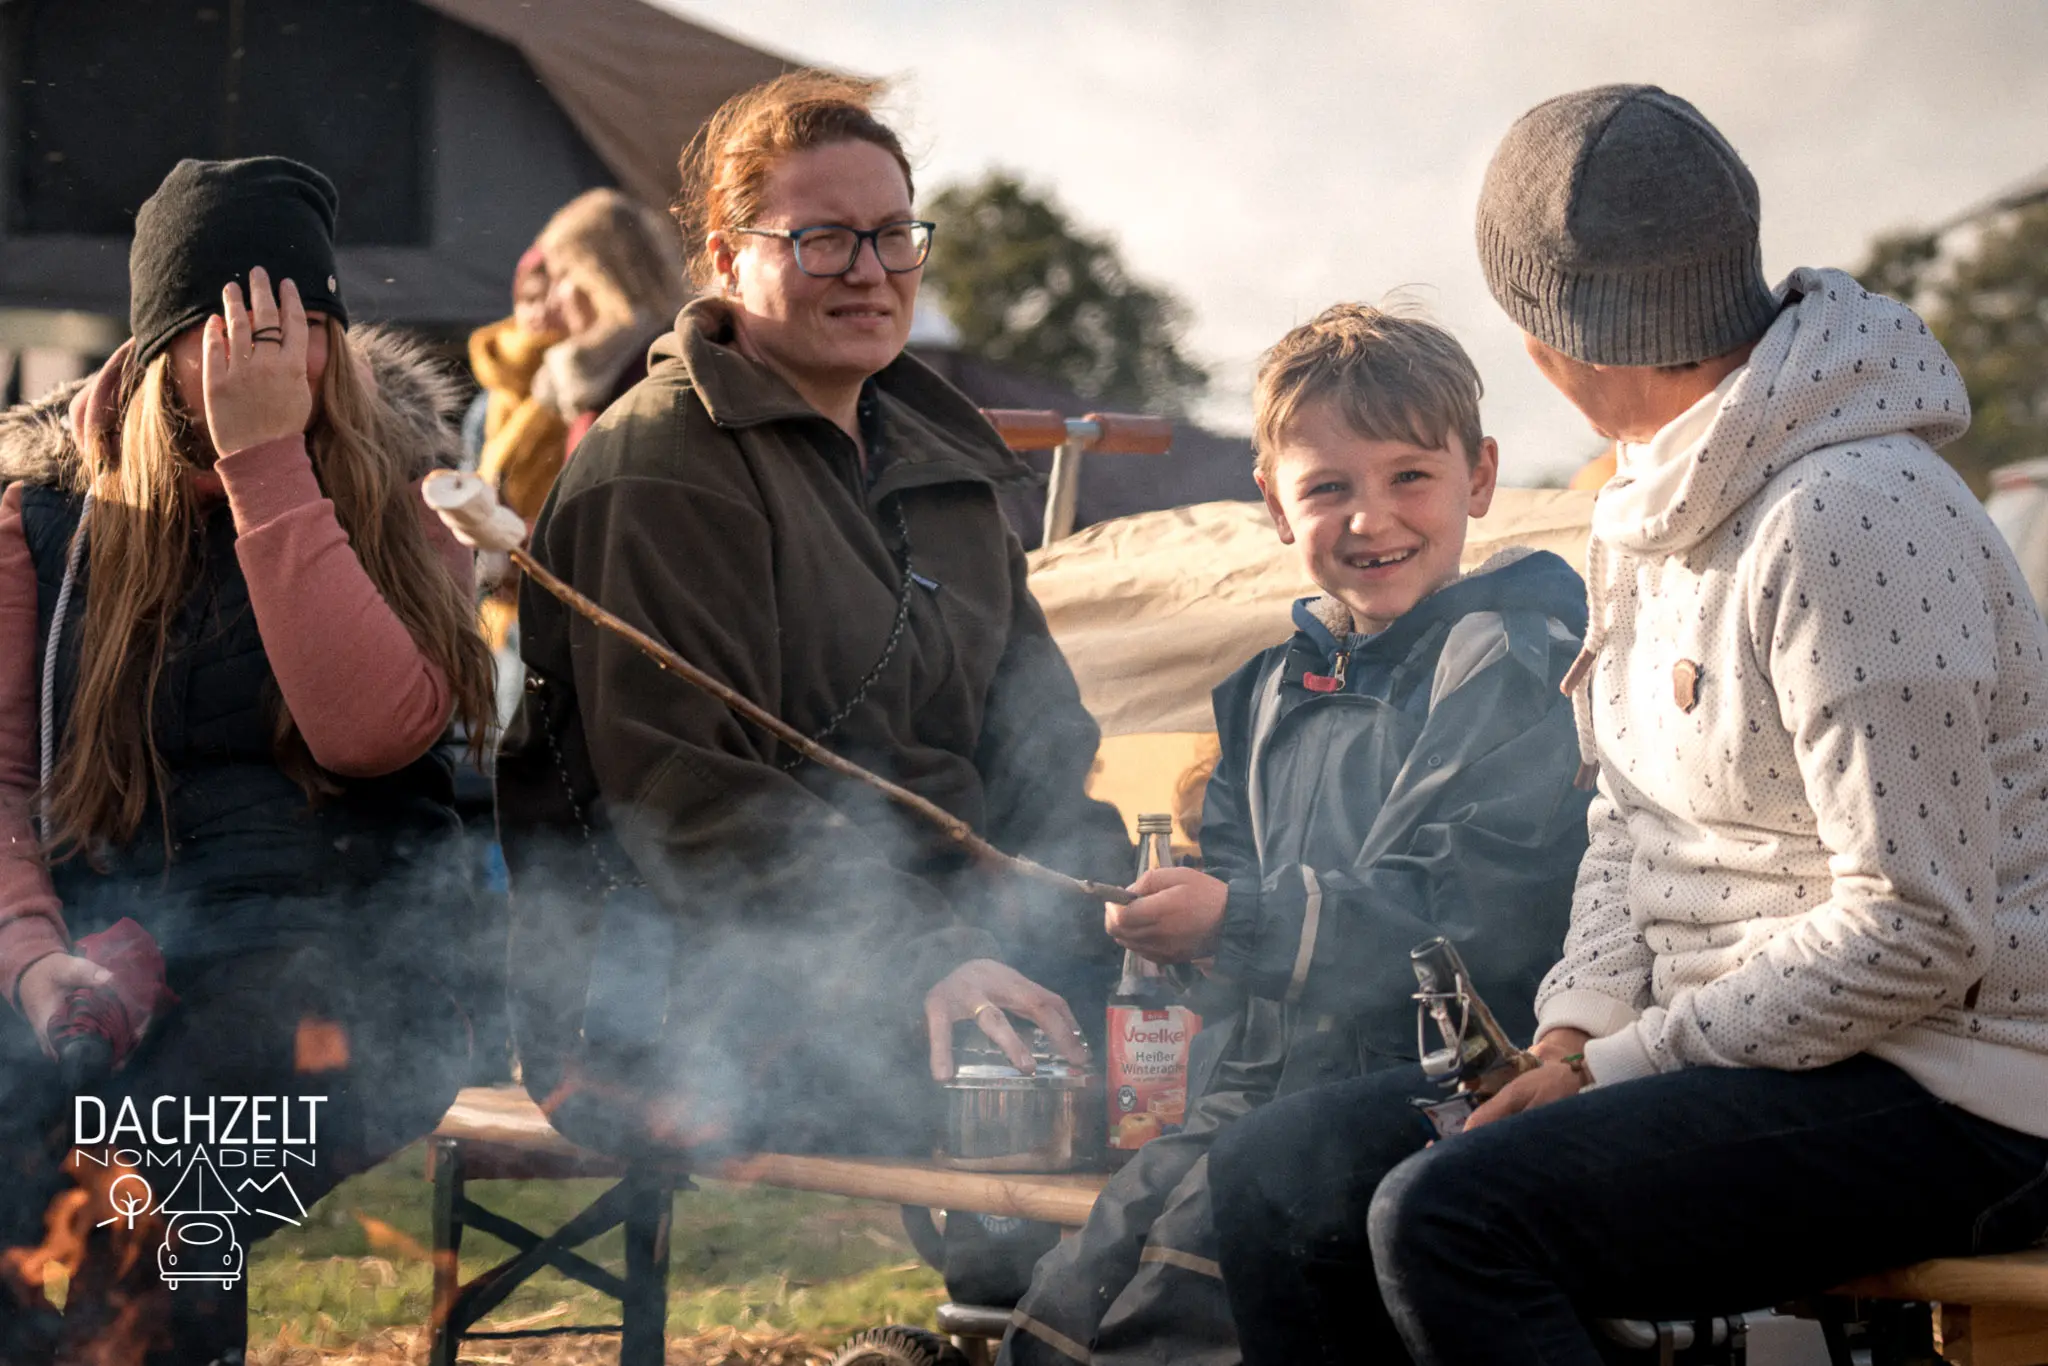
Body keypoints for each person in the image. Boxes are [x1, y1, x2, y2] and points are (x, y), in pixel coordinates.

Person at [1207, 85, 2048, 1366]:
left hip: (1956, 1080)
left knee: (1452, 1218)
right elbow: (1632, 823)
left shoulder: (1852, 517)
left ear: (1544, 333)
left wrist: (1616, 1072)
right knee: (1279, 1173)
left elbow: (1917, 927)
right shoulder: (1651, 497)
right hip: (1732, 1048)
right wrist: (1570, 1031)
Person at [495, 72, 1132, 1160]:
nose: (870, 271)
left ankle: (1032, 1319)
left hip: (950, 946)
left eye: (892, 235)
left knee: (1215, 1057)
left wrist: (1104, 914)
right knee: (1064, 1106)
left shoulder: (944, 469)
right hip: (686, 999)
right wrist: (923, 957)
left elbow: (1035, 745)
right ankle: (1026, 1316)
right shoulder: (658, 465)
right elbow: (681, 799)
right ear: (723, 255)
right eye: (822, 239)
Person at [1003, 304, 1591, 1365]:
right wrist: (1176, 933)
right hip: (1252, 1084)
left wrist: (1243, 918)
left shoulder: (1511, 662)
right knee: (1066, 1299)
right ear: (1273, 503)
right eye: (1327, 488)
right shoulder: (1265, 691)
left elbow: (1469, 914)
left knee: (1179, 1311)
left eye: (1409, 475)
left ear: (1480, 477)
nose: (1371, 520)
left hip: (1435, 1088)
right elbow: (1230, 889)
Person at [0, 157, 496, 1365]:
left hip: (365, 990)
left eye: (301, 326)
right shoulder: (47, 526)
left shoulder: (406, 518)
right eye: (231, 328)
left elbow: (370, 732)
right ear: (162, 339)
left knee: (160, 1200)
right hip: (123, 962)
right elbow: (7, 783)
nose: (270, 360)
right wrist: (31, 958)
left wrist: (267, 466)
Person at [525, 188, 688, 455]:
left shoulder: (657, 371)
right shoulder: (603, 373)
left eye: (563, 275)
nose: (553, 299)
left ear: (602, 275)